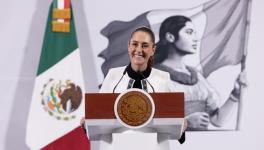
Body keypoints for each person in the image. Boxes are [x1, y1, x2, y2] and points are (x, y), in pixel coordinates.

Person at [81, 26, 187, 150]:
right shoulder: (113, 76)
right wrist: (87, 123)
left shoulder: (163, 78)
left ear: (153, 50)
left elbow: (174, 118)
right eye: (135, 44)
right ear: (129, 46)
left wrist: (182, 126)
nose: (138, 49)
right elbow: (99, 115)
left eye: (145, 45)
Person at [154, 15, 246, 130]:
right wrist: (185, 122)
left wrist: (235, 94)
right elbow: (146, 124)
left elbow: (217, 120)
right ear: (170, 37)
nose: (195, 38)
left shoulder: (197, 76)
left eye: (194, 33)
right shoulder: (155, 76)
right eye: (189, 32)